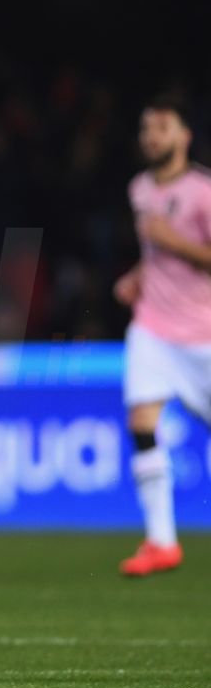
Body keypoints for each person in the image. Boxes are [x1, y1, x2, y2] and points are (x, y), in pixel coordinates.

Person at [114, 94, 211, 577]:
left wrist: (175, 242)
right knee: (142, 421)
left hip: (203, 334)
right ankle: (161, 541)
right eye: (146, 128)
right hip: (153, 326)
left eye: (162, 128)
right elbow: (156, 257)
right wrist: (137, 276)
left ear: (184, 135)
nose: (152, 136)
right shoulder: (139, 189)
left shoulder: (203, 192)